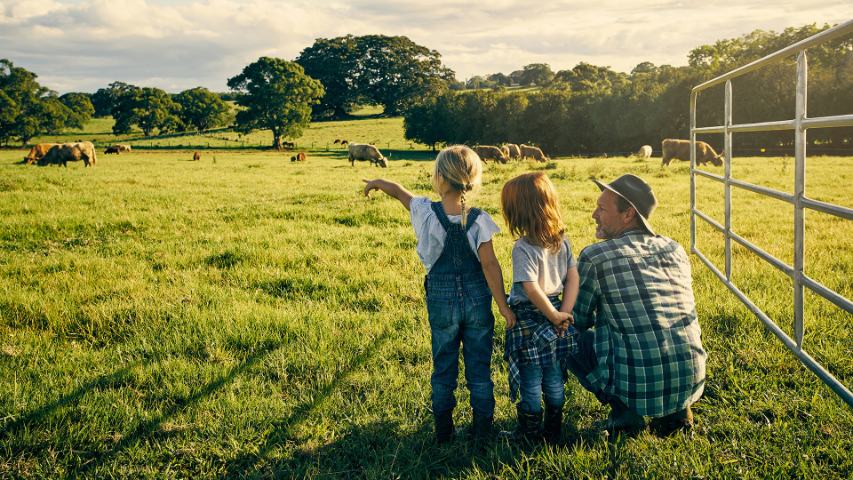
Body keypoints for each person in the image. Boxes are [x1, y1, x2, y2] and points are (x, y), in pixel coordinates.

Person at [362, 145, 515, 444]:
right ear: (473, 179)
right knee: (479, 367)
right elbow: (490, 265)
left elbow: (400, 193)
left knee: (443, 364)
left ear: (440, 178)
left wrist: (378, 183)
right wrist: (504, 306)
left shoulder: (424, 211)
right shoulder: (479, 219)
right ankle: (483, 430)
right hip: (477, 299)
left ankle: (444, 431)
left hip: (441, 300)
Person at [568, 174, 707, 435]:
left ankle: (624, 411)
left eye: (601, 208)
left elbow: (577, 318)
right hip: (691, 381)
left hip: (639, 386)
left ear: (628, 214)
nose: (593, 215)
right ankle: (677, 412)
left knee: (562, 334)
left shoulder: (596, 256)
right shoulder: (673, 249)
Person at [499, 172, 579, 444]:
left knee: (531, 378)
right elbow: (573, 278)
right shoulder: (563, 241)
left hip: (531, 319)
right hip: (557, 313)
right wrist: (562, 313)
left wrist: (555, 315)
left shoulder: (522, 248)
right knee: (554, 375)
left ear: (519, 213)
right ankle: (554, 430)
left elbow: (531, 288)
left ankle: (529, 433)